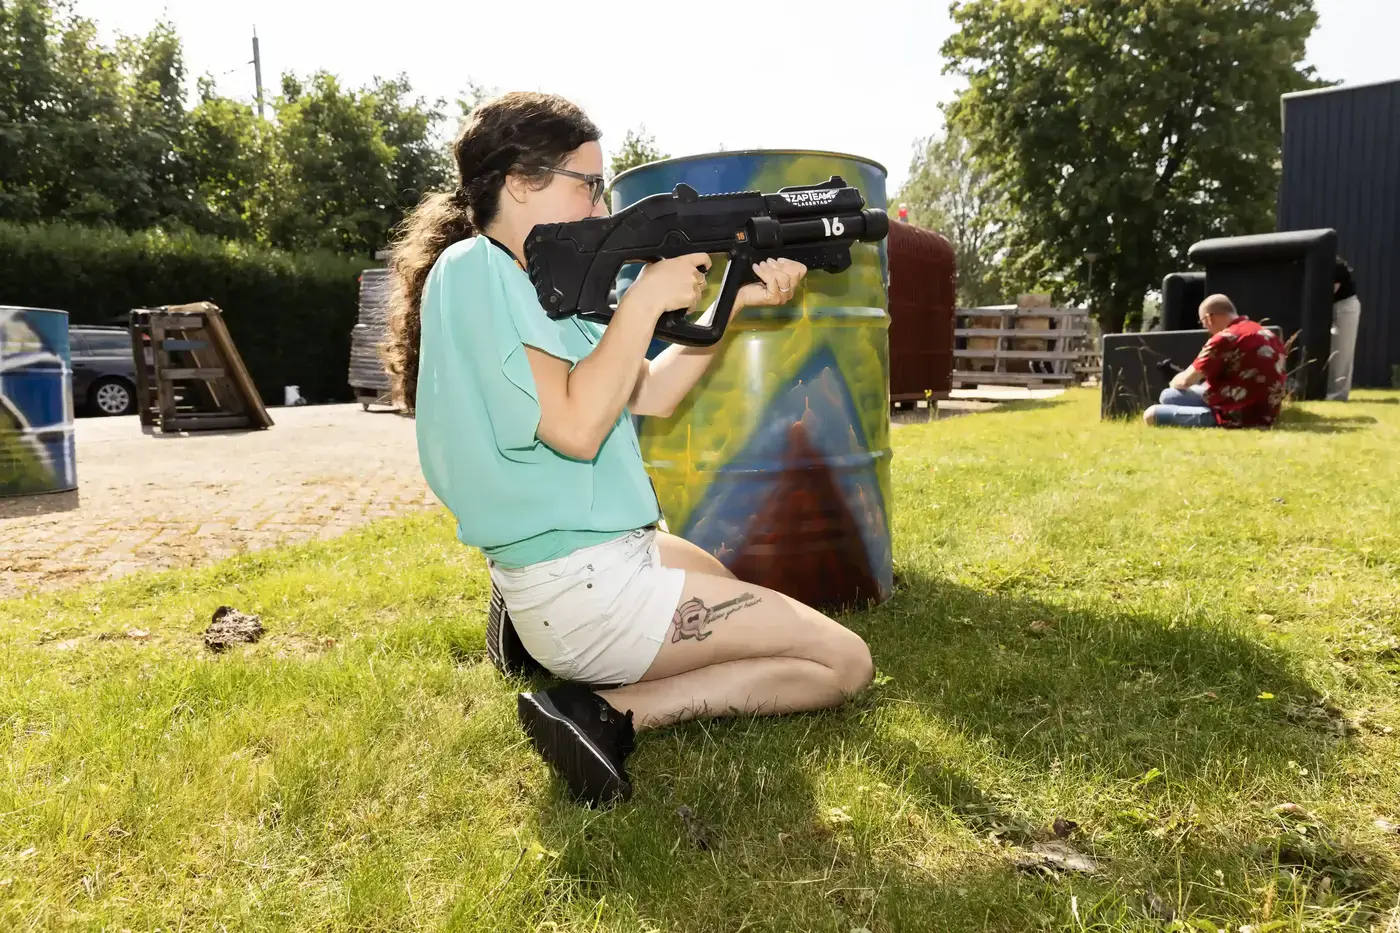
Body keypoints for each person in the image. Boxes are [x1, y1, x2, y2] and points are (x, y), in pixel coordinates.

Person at [381, 92, 874, 808]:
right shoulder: (475, 268)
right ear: (521, 181)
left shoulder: (535, 286)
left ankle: (532, 630)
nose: (598, 206)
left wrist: (734, 300)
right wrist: (644, 300)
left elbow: (651, 393)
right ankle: (604, 713)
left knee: (713, 572)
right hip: (586, 586)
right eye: (587, 186)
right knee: (841, 661)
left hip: (597, 559)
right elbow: (578, 428)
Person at [1143, 294, 1288, 429]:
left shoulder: (1224, 338)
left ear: (1209, 318)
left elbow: (1183, 382)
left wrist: (1174, 381)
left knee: (1151, 414)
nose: (1207, 329)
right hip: (1268, 411)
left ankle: (1209, 415)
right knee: (1168, 396)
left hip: (1238, 415)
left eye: (1203, 323)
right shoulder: (1268, 334)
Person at [1328, 257, 1361, 401]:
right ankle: (1328, 391)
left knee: (1342, 350)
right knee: (1332, 350)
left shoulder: (1335, 265)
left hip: (1345, 306)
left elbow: (1332, 290)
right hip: (1334, 306)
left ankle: (1338, 394)